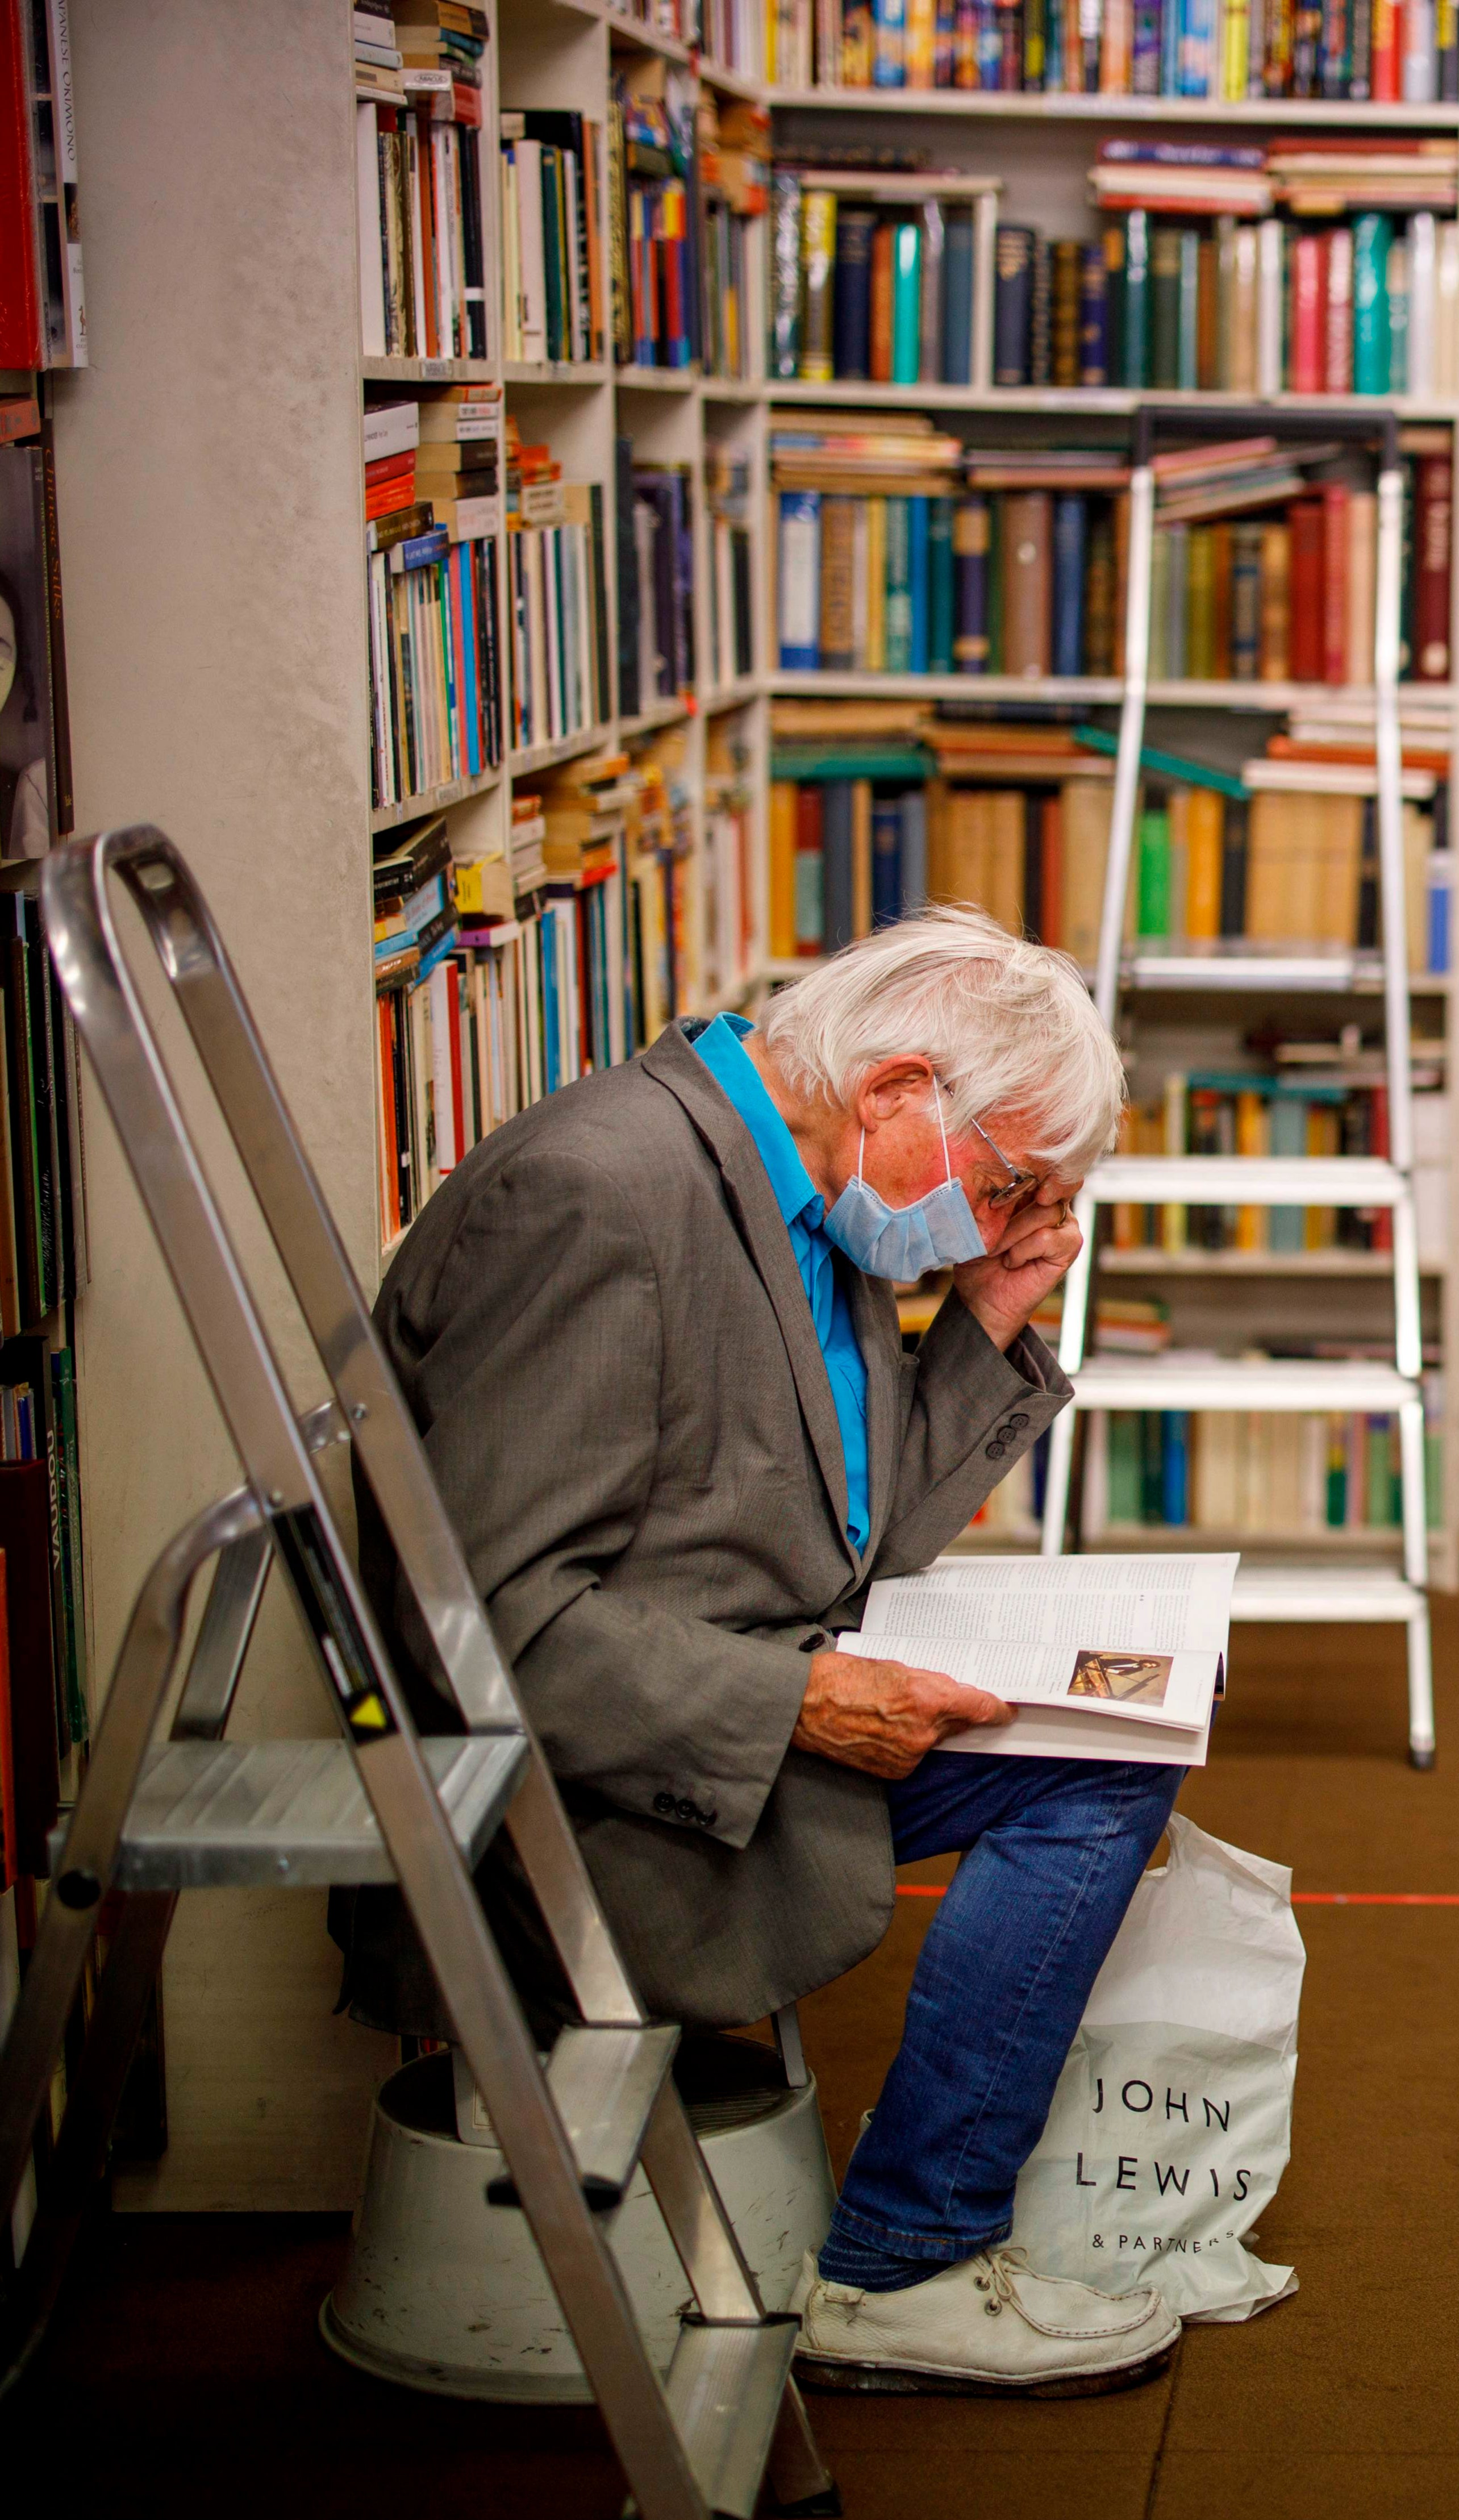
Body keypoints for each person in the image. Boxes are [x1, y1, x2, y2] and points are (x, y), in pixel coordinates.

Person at [364, 905, 1183, 2400]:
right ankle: (903, 2266)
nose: (1007, 1228)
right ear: (896, 1093)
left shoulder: (807, 1183)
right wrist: (796, 1700)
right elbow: (474, 1633)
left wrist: (987, 1312)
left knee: (1120, 1736)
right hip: (589, 1811)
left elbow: (852, 1538)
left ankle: (909, 2244)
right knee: (1088, 1776)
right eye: (1006, 1189)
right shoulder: (603, 1197)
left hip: (726, 1719)